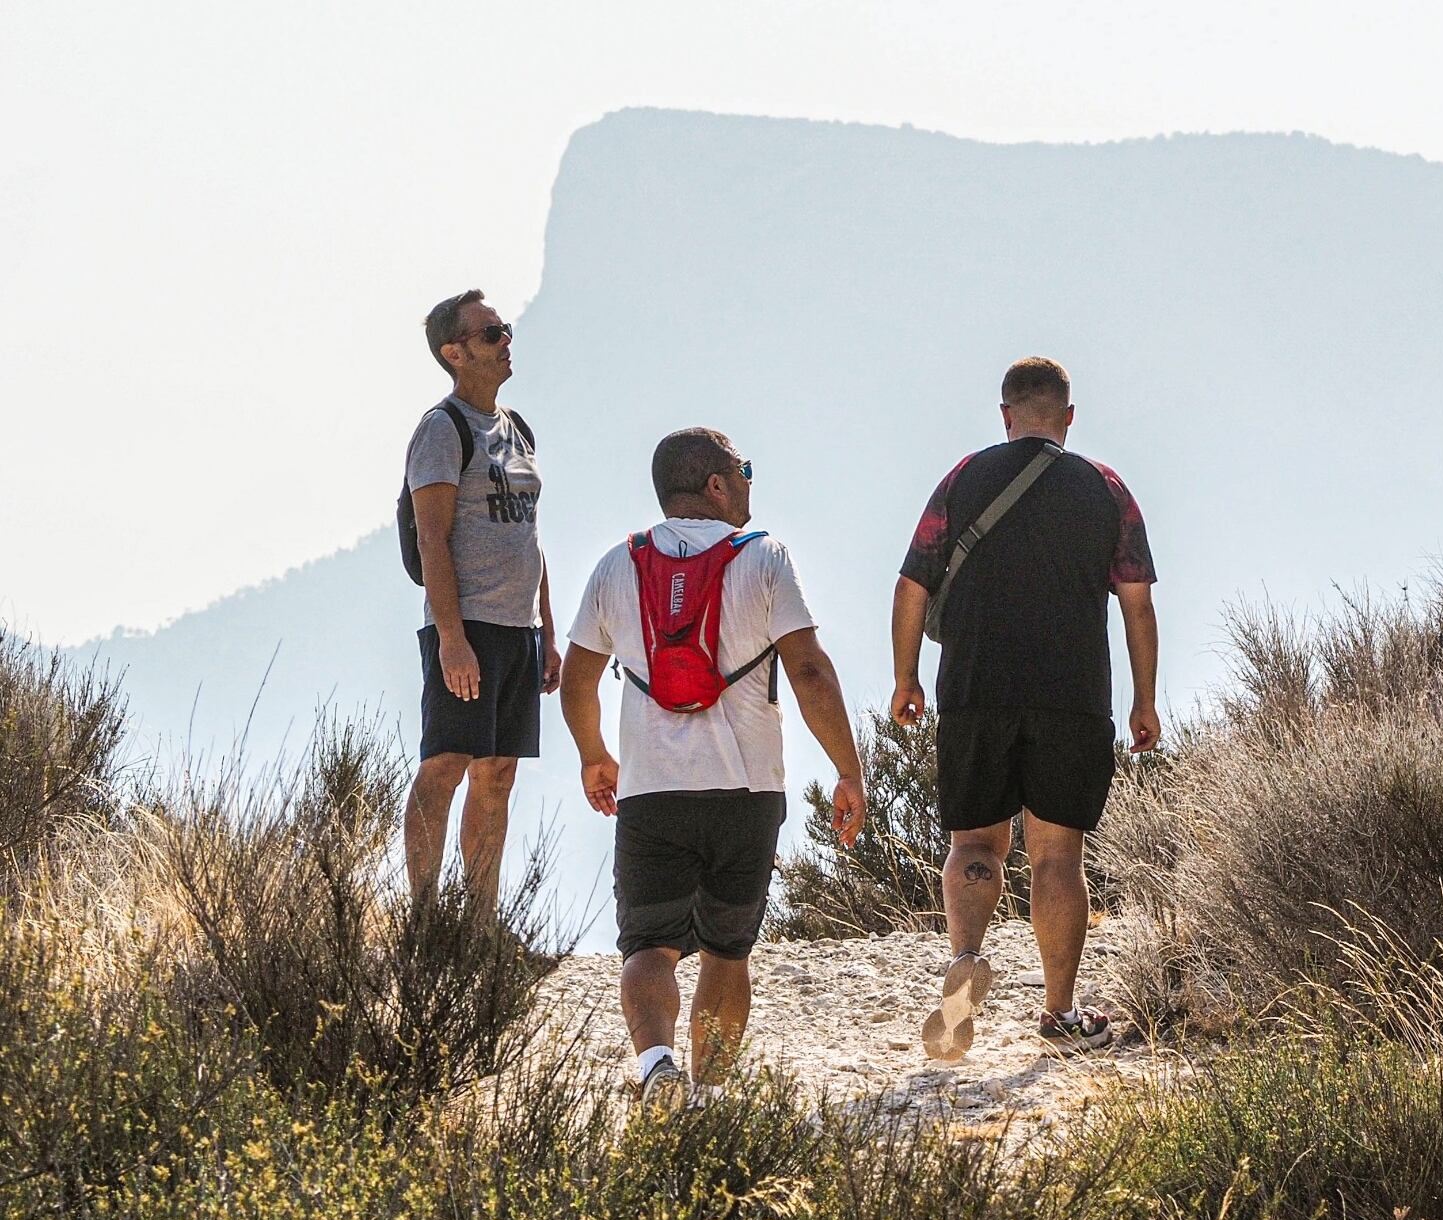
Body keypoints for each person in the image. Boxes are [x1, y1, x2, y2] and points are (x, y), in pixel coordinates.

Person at [559, 428, 867, 1108]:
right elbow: (809, 670)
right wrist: (848, 769)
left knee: (648, 945)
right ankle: (708, 1097)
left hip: (652, 791)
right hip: (747, 792)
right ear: (718, 485)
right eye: (744, 469)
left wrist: (594, 757)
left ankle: (657, 1065)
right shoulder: (764, 558)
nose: (751, 481)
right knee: (728, 950)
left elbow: (578, 680)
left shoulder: (617, 564)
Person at [891, 356, 1159, 1060]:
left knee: (974, 845)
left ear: (1005, 415)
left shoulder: (962, 479)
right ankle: (1061, 1012)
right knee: (1057, 854)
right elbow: (1136, 602)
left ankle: (965, 960)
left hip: (975, 688)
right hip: (1072, 694)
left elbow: (913, 585)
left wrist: (906, 678)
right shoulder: (1105, 488)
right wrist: (1145, 699)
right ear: (1068, 418)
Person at [402, 289, 558, 914]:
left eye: (505, 328)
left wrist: (548, 632)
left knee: (498, 772)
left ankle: (480, 923)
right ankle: (423, 917)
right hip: (467, 626)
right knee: (445, 764)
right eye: (491, 333)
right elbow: (432, 539)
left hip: (520, 630)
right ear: (455, 353)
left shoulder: (518, 429)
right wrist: (451, 639)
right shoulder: (441, 430)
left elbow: (531, 537)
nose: (506, 340)